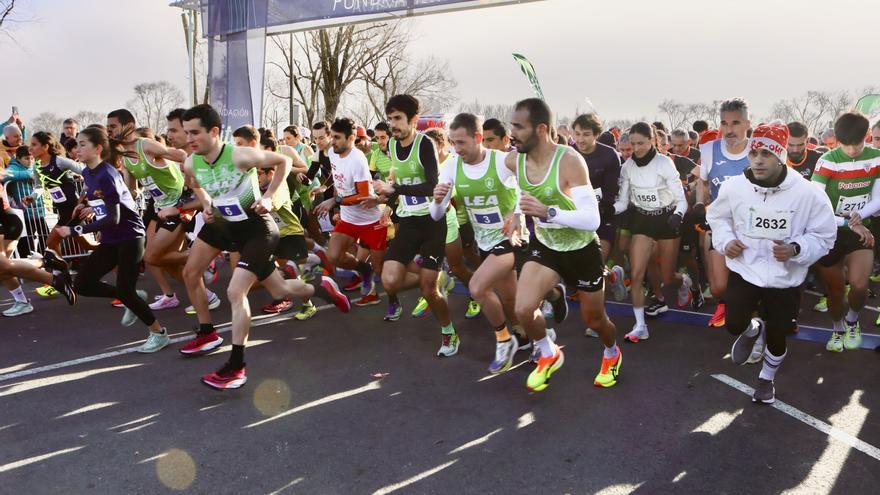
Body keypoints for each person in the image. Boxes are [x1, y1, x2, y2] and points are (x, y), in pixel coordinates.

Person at [179, 104, 349, 389]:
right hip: (222, 225)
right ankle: (320, 288)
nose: (189, 139)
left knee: (236, 291)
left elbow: (282, 162)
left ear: (214, 131)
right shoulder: (191, 162)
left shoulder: (239, 155)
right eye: (186, 133)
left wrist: (269, 196)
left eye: (195, 132)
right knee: (194, 273)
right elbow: (193, 182)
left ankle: (236, 367)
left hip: (256, 229)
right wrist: (207, 203)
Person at [707, 122, 835, 403]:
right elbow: (717, 217)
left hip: (785, 278)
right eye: (754, 153)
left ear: (780, 156)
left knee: (778, 336)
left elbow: (825, 236)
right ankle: (753, 330)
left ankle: (766, 380)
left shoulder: (809, 193)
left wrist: (796, 249)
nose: (758, 160)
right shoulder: (734, 187)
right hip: (745, 268)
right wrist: (726, 240)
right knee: (733, 324)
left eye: (766, 154)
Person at [504, 98, 621, 391]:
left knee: (595, 320)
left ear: (541, 129)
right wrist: (516, 213)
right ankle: (548, 352)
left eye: (518, 126)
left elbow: (592, 219)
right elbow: (518, 188)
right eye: (511, 125)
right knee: (523, 309)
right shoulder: (514, 159)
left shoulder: (569, 160)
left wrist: (548, 212)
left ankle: (612, 353)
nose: (512, 133)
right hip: (546, 246)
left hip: (581, 250)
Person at [56, 126, 173, 353]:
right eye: (76, 144)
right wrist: (85, 204)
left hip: (130, 237)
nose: (77, 149)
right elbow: (100, 201)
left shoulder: (107, 174)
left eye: (82, 144)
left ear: (98, 149)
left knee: (126, 291)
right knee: (82, 284)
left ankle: (159, 333)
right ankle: (131, 296)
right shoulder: (88, 172)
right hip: (111, 238)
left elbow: (114, 217)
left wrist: (75, 230)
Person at [430, 113, 531, 373]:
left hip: (510, 237)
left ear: (477, 138)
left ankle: (504, 340)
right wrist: (438, 200)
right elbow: (436, 215)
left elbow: (529, 185)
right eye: (453, 142)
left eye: (461, 142)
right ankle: (534, 337)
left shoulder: (502, 160)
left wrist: (518, 213)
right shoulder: (452, 166)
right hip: (484, 241)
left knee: (477, 287)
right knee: (510, 298)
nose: (456, 149)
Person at [372, 94, 458, 355]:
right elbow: (398, 182)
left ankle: (449, 333)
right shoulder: (392, 145)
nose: (393, 124)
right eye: (390, 119)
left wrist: (395, 189)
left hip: (432, 222)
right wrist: (385, 200)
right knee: (389, 280)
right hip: (408, 221)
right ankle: (436, 276)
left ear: (413, 120)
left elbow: (432, 186)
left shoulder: (424, 145)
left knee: (428, 290)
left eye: (398, 118)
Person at [614, 123, 690, 342]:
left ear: (652, 141)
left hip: (667, 220)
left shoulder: (664, 163)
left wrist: (678, 215)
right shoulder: (627, 167)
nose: (636, 148)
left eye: (641, 143)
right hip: (643, 220)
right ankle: (640, 326)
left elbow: (681, 200)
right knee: (637, 274)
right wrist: (608, 209)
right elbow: (623, 202)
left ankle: (684, 281)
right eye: (633, 144)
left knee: (667, 277)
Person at [812, 111, 880, 353]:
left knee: (860, 286)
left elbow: (878, 198)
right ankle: (837, 327)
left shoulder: (876, 158)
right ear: (838, 140)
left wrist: (859, 217)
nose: (851, 150)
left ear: (867, 136)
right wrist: (848, 222)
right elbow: (815, 206)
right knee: (835, 292)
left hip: (860, 231)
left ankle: (852, 321)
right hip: (830, 230)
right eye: (845, 144)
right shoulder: (827, 160)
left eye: (857, 144)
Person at [313, 117, 388, 307]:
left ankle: (393, 299)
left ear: (351, 138)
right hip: (349, 218)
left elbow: (363, 195)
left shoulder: (358, 160)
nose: (333, 141)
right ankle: (364, 270)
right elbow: (338, 178)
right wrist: (328, 193)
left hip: (371, 220)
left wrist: (335, 201)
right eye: (332, 136)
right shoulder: (332, 152)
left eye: (337, 137)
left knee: (380, 269)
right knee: (333, 256)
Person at [695, 98, 752, 329]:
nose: (729, 129)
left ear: (747, 123)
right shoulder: (709, 149)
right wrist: (700, 204)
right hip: (721, 224)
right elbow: (703, 182)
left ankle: (752, 323)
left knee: (752, 283)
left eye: (735, 123)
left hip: (752, 225)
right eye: (724, 123)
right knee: (718, 287)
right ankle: (730, 304)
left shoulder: (758, 149)